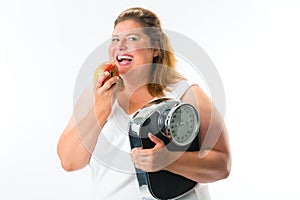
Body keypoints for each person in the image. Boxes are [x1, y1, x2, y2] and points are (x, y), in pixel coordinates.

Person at [57, 7, 231, 200]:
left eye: (132, 38)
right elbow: (69, 161)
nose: (120, 46)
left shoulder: (185, 94)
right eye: (115, 39)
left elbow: (222, 165)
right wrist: (101, 108)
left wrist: (169, 160)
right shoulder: (97, 94)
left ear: (156, 48)